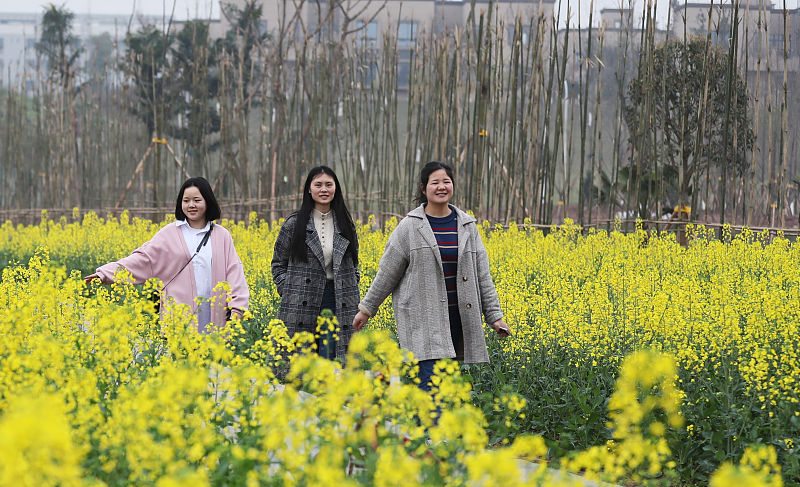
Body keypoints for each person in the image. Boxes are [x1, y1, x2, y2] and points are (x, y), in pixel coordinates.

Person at [353, 161, 511, 392]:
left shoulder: (467, 226)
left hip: (457, 321)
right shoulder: (409, 227)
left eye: (446, 181)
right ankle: (426, 428)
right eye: (434, 182)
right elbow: (387, 273)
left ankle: (428, 428)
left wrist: (495, 317)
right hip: (424, 323)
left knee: (447, 393)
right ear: (423, 188)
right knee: (430, 392)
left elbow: (482, 275)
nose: (441, 187)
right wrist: (366, 309)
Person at [84, 177, 249, 331]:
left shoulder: (222, 235)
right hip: (179, 322)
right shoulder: (170, 233)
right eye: (186, 201)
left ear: (208, 201)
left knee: (214, 358)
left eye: (197, 200)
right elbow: (143, 260)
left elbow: (234, 272)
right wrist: (106, 273)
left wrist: (237, 308)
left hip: (215, 318)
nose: (191, 205)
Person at [271, 165, 361, 375]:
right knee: (300, 364)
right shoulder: (294, 224)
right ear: (309, 189)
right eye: (318, 184)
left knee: (330, 359)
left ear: (336, 189)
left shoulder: (346, 224)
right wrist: (289, 291)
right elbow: (277, 264)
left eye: (329, 185)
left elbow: (354, 264)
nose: (324, 189)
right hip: (301, 300)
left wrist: (352, 284)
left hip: (337, 299)